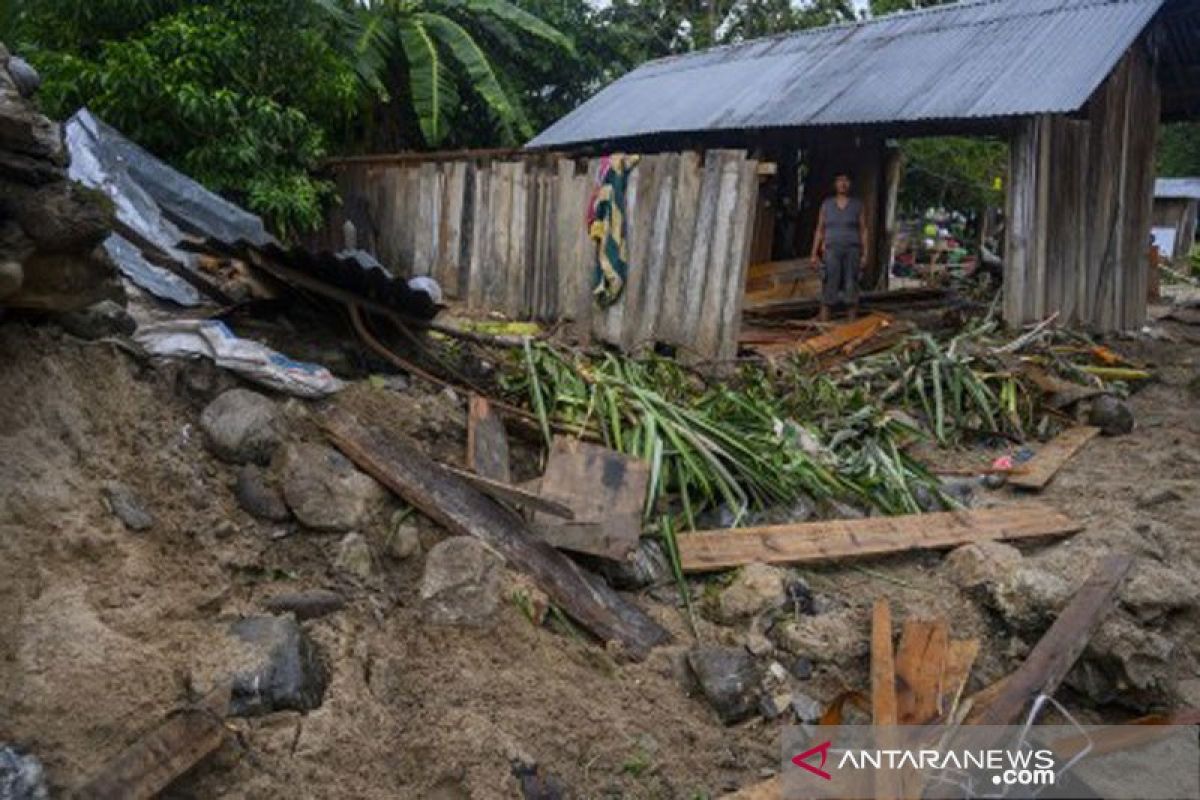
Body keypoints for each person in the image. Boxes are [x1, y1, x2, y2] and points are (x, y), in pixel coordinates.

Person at [810, 173, 868, 322]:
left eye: (846, 180)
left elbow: (863, 230)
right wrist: (814, 254)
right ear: (835, 184)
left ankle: (851, 326)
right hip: (831, 250)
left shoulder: (857, 205)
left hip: (852, 250)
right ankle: (824, 326)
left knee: (851, 284)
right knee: (830, 284)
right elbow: (820, 229)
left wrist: (865, 254)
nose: (843, 184)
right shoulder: (827, 204)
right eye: (840, 180)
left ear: (850, 184)